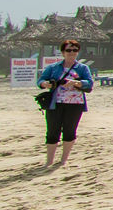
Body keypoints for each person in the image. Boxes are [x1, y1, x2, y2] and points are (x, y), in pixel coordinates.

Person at [38, 40, 94, 168]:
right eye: (69, 50)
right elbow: (41, 80)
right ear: (63, 52)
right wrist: (44, 84)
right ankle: (49, 161)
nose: (72, 53)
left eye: (75, 50)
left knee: (69, 131)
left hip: (75, 104)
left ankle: (63, 160)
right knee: (52, 131)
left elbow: (89, 84)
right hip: (55, 103)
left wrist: (76, 83)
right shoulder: (53, 67)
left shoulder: (82, 68)